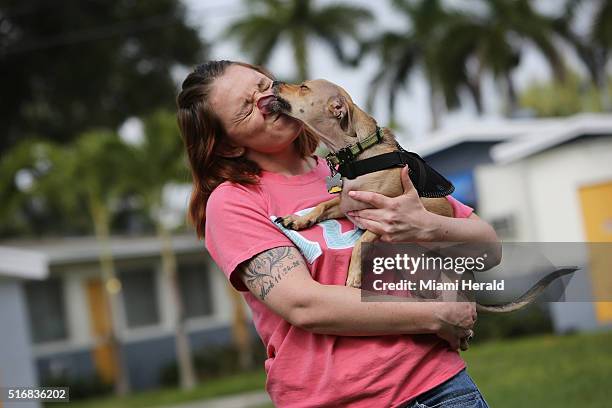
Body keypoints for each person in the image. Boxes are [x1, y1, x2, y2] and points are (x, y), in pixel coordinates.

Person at [176, 60, 498, 407]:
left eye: (262, 84)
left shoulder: (362, 164)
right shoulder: (234, 201)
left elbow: (489, 250)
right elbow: (305, 306)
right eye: (245, 107)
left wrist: (426, 225)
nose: (266, 97)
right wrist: (437, 314)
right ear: (228, 146)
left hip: (440, 389)